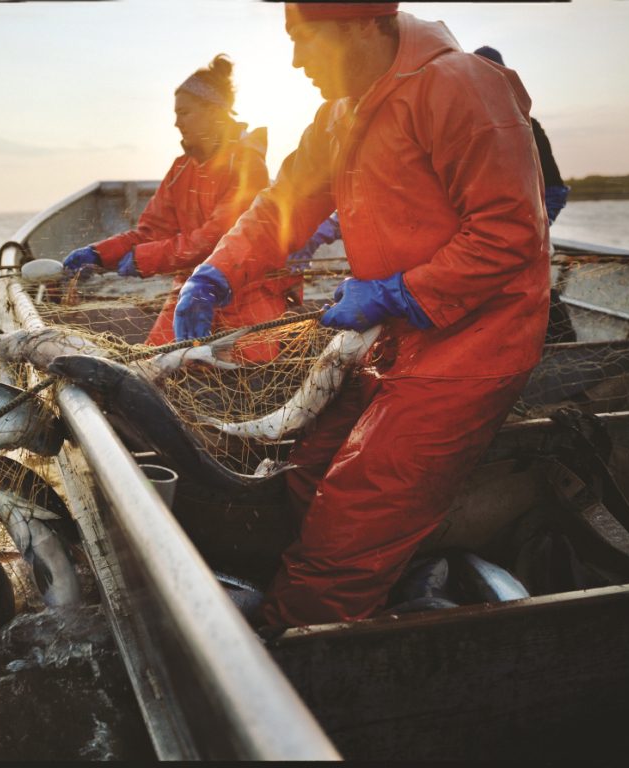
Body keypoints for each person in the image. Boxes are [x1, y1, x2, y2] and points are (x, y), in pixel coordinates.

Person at [173, 2, 551, 628]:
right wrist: (213, 272)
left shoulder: (458, 87)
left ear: (358, 24)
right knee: (306, 471)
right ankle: (386, 581)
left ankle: (295, 651)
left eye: (304, 41)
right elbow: (281, 206)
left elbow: (509, 232)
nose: (295, 62)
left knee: (356, 507)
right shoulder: (339, 113)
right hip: (387, 337)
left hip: (475, 342)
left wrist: (400, 292)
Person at [62, 54, 300, 362]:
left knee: (251, 372)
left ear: (214, 112)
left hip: (247, 291)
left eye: (184, 112)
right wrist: (99, 253)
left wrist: (144, 258)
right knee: (155, 364)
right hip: (190, 290)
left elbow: (215, 240)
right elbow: (150, 231)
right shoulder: (180, 168)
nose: (176, 122)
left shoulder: (246, 165)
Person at [473, 46, 570, 225]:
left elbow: (554, 190)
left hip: (521, 233)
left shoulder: (530, 127)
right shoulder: (460, 130)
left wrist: (538, 228)